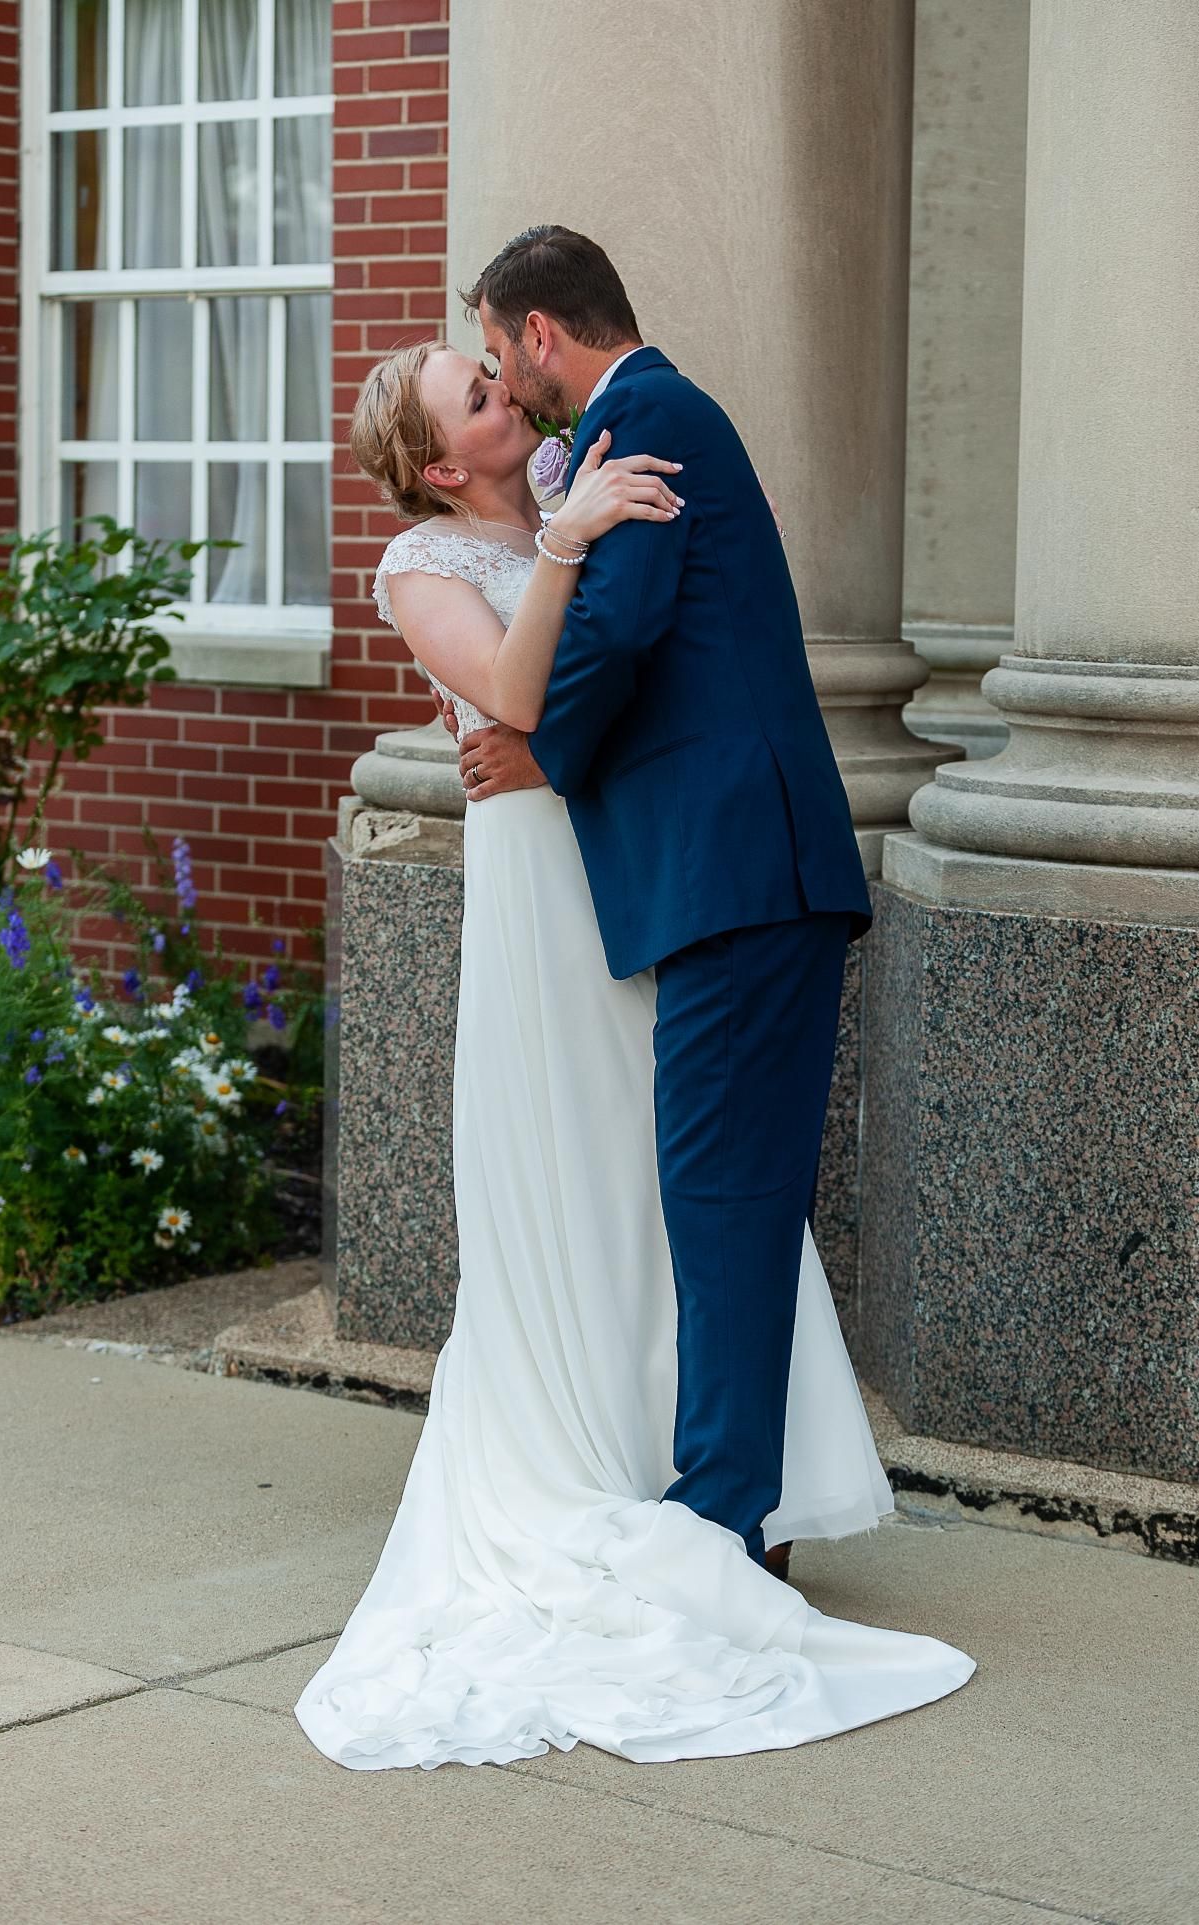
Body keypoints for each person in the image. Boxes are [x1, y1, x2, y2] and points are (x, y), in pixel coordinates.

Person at [295, 235, 973, 1774]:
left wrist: (534, 743)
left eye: (488, 354)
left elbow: (590, 674)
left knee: (704, 1199)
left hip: (687, 881)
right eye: (466, 381)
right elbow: (570, 665)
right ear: (432, 455)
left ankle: (722, 1512)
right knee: (655, 1193)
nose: (489, 375)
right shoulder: (498, 522)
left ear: (539, 337)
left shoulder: (630, 435)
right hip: (605, 900)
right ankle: (687, 1495)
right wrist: (543, 657)